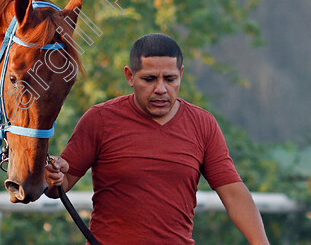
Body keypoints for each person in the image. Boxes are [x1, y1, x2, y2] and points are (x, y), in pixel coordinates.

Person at [44, 33, 269, 244]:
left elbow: (234, 194)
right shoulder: (100, 119)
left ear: (181, 75)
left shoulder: (203, 124)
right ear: (129, 76)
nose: (161, 89)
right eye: (149, 79)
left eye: (170, 79)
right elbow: (58, 187)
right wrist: (51, 174)